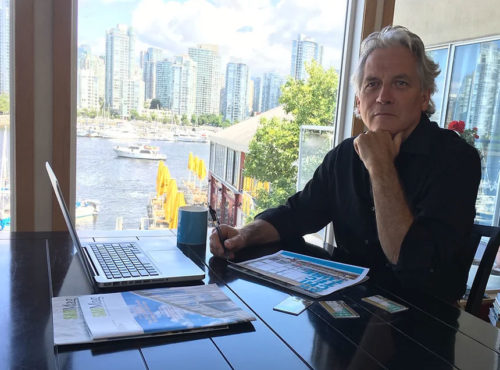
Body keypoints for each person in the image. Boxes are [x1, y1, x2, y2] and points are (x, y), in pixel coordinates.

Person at [209, 25, 481, 303]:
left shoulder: (456, 160)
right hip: (348, 308)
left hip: (423, 323)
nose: (383, 96)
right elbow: (297, 213)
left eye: (400, 83)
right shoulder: (344, 156)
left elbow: (414, 265)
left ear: (424, 96)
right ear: (359, 99)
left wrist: (380, 166)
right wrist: (244, 235)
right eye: (372, 83)